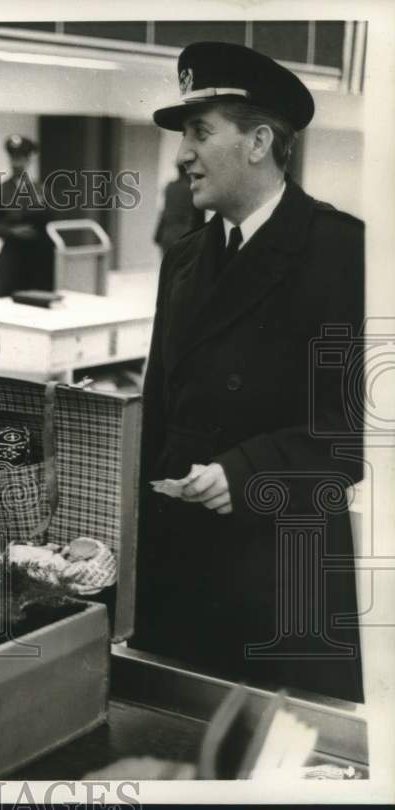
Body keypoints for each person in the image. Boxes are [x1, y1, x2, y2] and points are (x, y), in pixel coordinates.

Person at [134, 42, 364, 702]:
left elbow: (350, 435)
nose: (181, 155)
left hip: (282, 577)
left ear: (259, 140)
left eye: (200, 132)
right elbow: (161, 415)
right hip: (183, 568)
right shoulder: (183, 259)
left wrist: (245, 471)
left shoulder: (341, 252)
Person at [0, 135, 55, 297]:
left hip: (39, 258)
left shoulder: (41, 189)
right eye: (14, 158)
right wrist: (12, 231)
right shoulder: (1, 190)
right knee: (4, 302)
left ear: (29, 160)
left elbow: (52, 216)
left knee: (39, 305)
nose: (17, 163)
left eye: (21, 158)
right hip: (12, 254)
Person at [153, 163, 206, 257]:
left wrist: (158, 234)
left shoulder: (170, 187)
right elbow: (199, 218)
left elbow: (164, 213)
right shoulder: (193, 190)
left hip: (167, 234)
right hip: (185, 234)